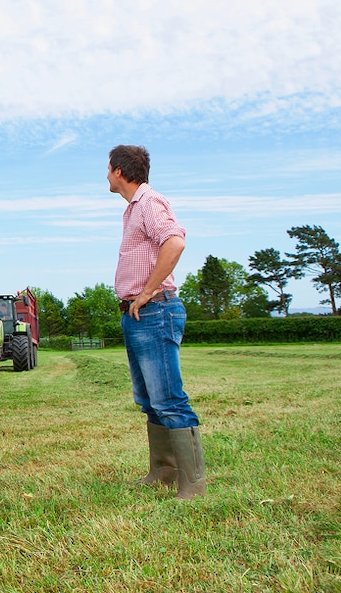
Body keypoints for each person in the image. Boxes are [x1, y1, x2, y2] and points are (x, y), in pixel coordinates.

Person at [108, 144, 206, 499]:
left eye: (108, 169)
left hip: (155, 310)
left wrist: (148, 291)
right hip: (136, 314)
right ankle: (163, 471)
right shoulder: (132, 210)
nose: (106, 175)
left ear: (120, 171)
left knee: (169, 400)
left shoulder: (149, 202)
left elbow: (175, 243)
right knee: (149, 400)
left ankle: (193, 485)